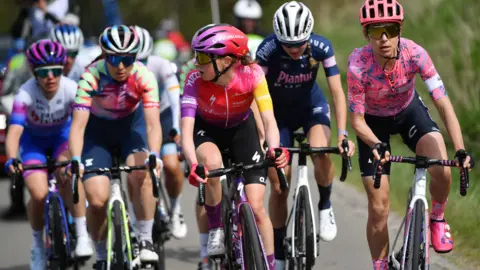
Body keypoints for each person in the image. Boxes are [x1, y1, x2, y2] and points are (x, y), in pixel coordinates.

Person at [347, 0, 475, 269]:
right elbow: (357, 121)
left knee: (441, 167)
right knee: (379, 208)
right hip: (372, 124)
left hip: (408, 112)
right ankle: (381, 264)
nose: (383, 39)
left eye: (390, 30)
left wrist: (460, 149)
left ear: (399, 29)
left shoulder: (415, 54)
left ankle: (437, 218)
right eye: (375, 31)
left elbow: (443, 102)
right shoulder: (358, 65)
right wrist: (375, 144)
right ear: (365, 34)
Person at [255, 1, 356, 268]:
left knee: (320, 151)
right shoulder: (266, 50)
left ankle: (325, 205)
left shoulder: (322, 47)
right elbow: (255, 97)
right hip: (277, 116)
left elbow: (336, 92)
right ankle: (277, 252)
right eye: (288, 45)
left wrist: (343, 134)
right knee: (278, 184)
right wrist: (262, 134)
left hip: (312, 107)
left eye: (300, 44)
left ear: (308, 35)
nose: (295, 49)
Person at [181, 24, 289, 270]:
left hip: (242, 131)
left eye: (203, 57)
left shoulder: (253, 74)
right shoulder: (194, 79)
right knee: (211, 163)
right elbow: (187, 132)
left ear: (226, 61)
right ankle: (217, 227)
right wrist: (193, 163)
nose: (196, 63)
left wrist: (274, 148)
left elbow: (269, 119)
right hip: (206, 131)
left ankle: (270, 266)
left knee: (258, 207)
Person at [67, 25, 162, 269]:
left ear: (136, 57)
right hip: (96, 134)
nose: (121, 66)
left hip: (132, 129)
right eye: (114, 59)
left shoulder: (144, 76)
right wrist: (76, 159)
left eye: (127, 59)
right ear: (104, 55)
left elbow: (152, 124)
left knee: (143, 172)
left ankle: (145, 239)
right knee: (97, 201)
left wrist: (155, 155)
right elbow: (77, 126)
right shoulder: (91, 76)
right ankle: (100, 254)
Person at [4, 39, 92, 270]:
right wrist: (12, 158)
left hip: (62, 140)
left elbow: (81, 127)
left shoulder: (72, 89)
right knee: (38, 192)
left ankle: (82, 234)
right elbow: (14, 132)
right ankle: (38, 246)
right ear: (34, 72)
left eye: (56, 70)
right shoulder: (25, 94)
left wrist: (78, 156)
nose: (51, 77)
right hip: (34, 144)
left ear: (63, 68)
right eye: (44, 73)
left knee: (70, 175)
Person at [132, 25, 187, 239]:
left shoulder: (161, 64)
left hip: (162, 116)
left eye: (144, 60)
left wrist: (175, 126)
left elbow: (175, 97)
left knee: (172, 166)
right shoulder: (123, 69)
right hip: (138, 118)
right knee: (139, 170)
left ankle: (176, 209)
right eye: (136, 61)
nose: (141, 66)